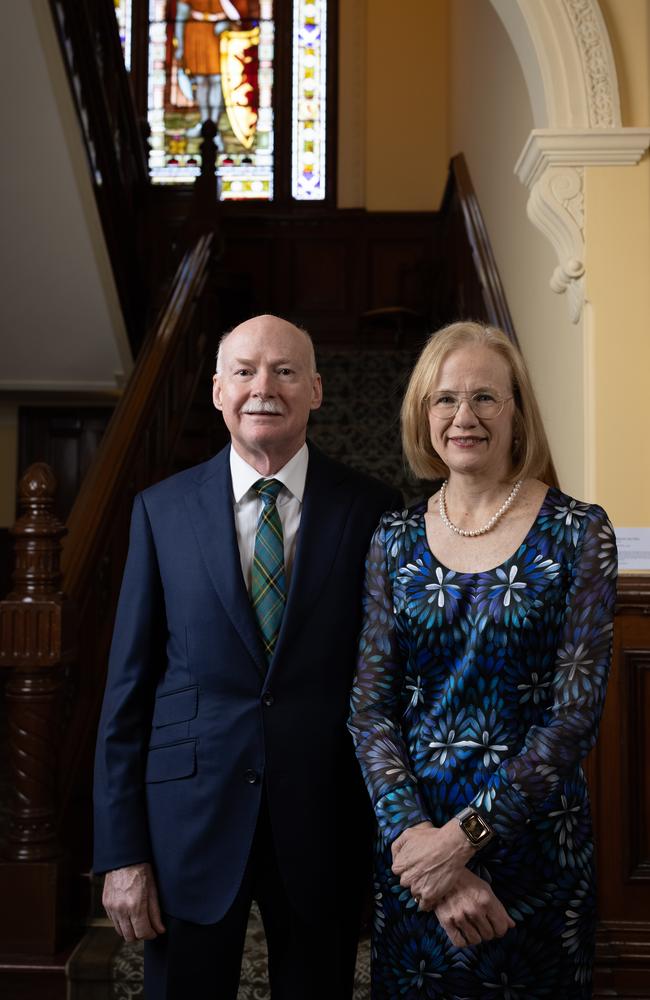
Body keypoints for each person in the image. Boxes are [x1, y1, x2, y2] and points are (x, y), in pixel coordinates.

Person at [93, 314, 401, 999]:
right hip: (188, 820)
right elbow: (128, 692)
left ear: (317, 390)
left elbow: (387, 680)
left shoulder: (373, 509)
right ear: (216, 391)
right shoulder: (160, 511)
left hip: (323, 820)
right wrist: (121, 854)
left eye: (286, 371)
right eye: (245, 371)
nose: (265, 387)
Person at [349, 321, 617, 998]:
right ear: (422, 414)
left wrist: (463, 841)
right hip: (414, 852)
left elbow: (574, 719)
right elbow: (369, 709)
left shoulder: (580, 531)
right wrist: (419, 844)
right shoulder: (394, 536)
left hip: (534, 852)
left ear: (518, 412)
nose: (463, 416)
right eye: (445, 399)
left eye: (485, 399)